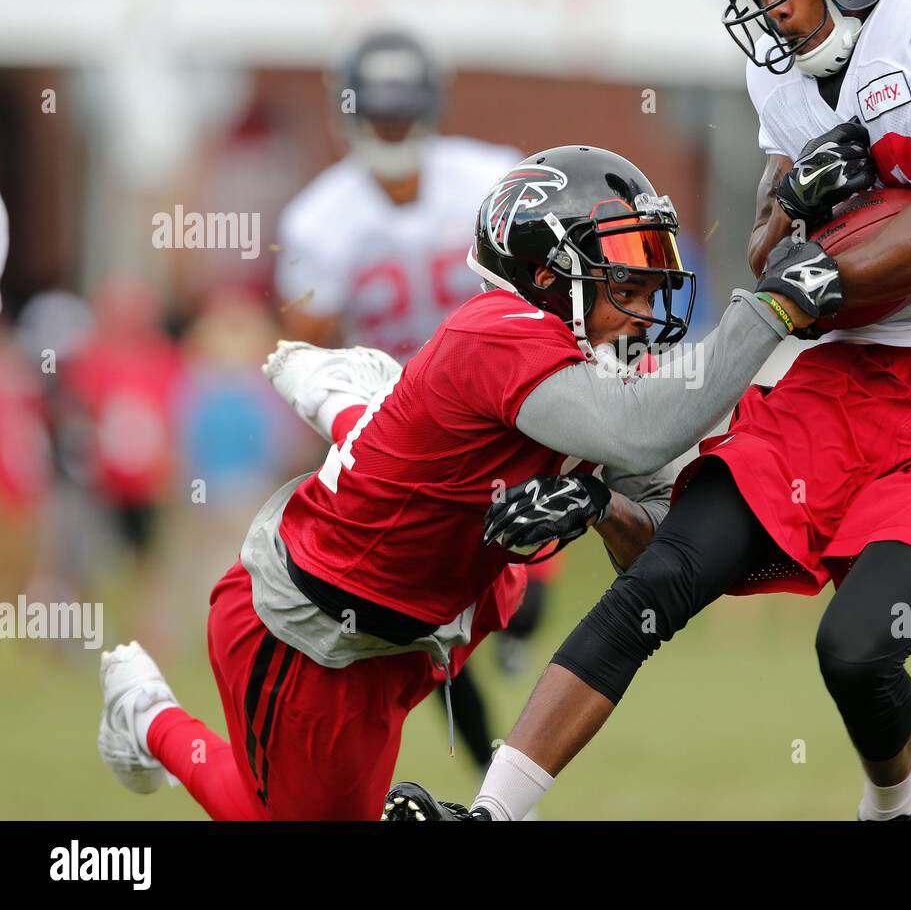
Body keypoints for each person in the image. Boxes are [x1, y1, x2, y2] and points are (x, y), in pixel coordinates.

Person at [426, 0, 911, 822]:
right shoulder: (781, 73)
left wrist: (819, 264)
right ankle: (495, 811)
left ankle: (894, 807)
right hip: (852, 369)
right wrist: (798, 211)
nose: (771, 5)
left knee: (856, 646)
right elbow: (769, 254)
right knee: (669, 570)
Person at [94, 144, 844, 820]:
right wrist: (772, 304)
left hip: (427, 614)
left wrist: (596, 503)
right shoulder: (498, 328)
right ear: (548, 272)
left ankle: (362, 404)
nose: (647, 302)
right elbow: (640, 428)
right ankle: (149, 716)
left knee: (504, 546)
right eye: (626, 275)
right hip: (313, 634)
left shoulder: (594, 363)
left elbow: (645, 538)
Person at [276, 28, 524, 774]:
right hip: (400, 433)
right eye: (375, 112)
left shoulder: (491, 176)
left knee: (523, 568)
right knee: (432, 628)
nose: (388, 127)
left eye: (399, 110)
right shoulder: (320, 221)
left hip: (500, 408)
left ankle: (522, 614)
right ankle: (499, 778)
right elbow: (312, 350)